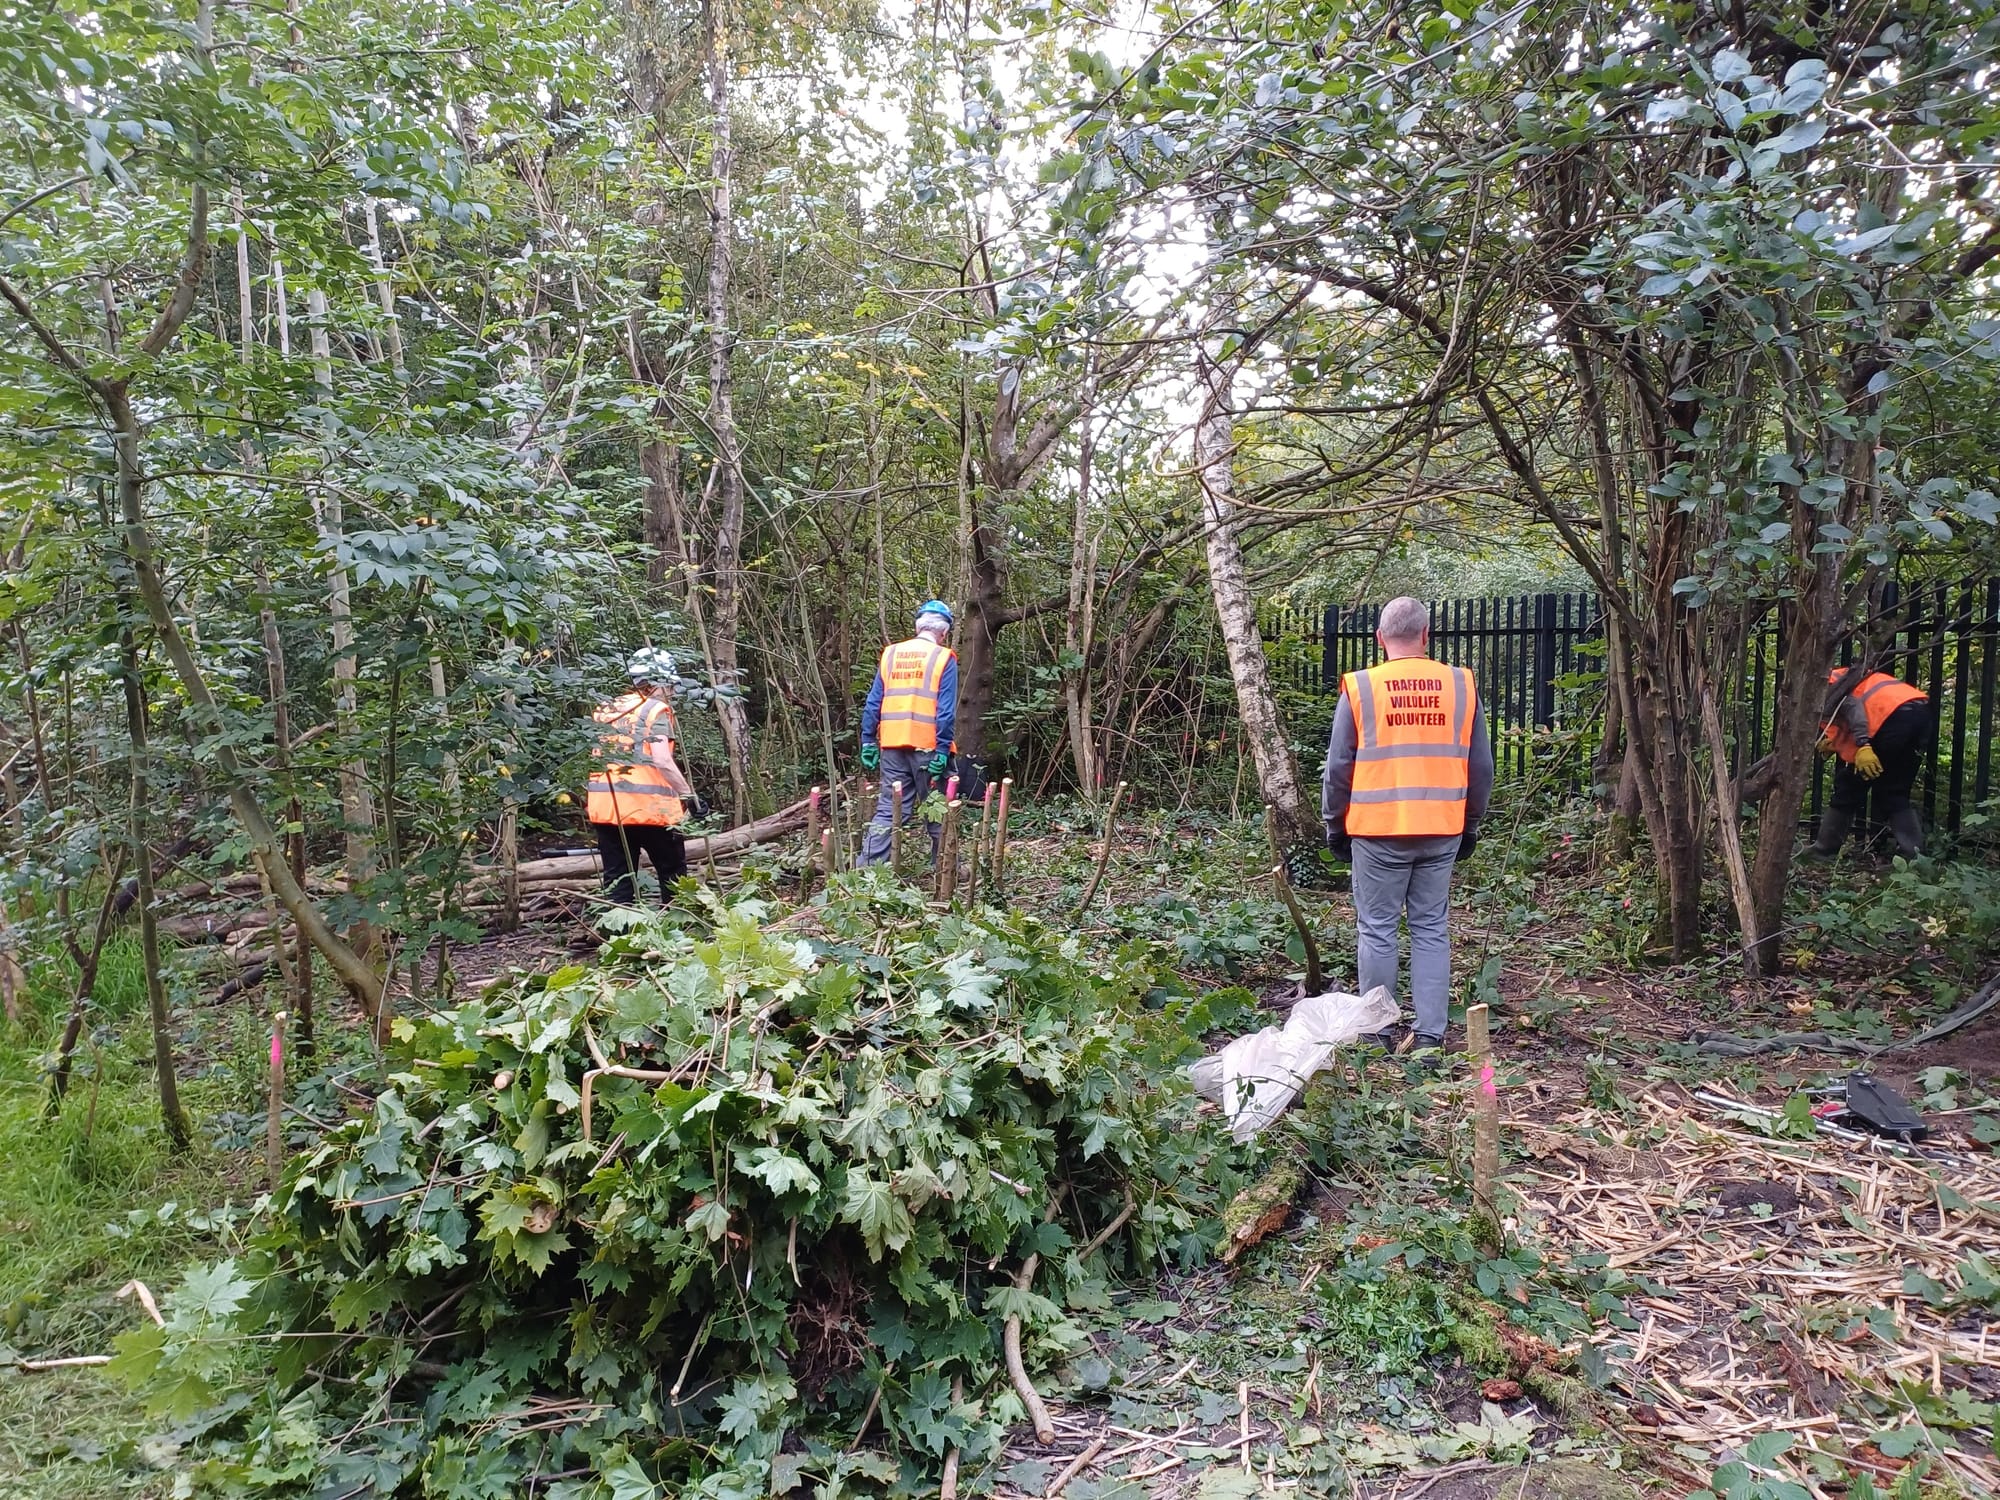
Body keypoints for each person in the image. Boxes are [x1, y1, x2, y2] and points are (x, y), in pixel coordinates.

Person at [1322, 596, 1493, 1055]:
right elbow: (1481, 767)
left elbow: (1338, 768)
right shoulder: (1460, 685)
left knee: (1377, 928)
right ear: (1426, 635)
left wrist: (1335, 825)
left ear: (1380, 638)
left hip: (1377, 830)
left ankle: (1378, 1033)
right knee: (1430, 928)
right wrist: (1470, 824)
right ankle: (1430, 1036)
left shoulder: (1362, 687)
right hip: (1441, 827)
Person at [587, 648, 701, 905]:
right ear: (657, 682)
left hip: (607, 808)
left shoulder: (607, 708)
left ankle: (618, 928)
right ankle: (677, 923)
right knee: (673, 875)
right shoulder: (654, 710)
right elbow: (662, 760)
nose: (672, 692)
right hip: (650, 810)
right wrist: (689, 797)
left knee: (617, 880)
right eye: (670, 685)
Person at [858, 601, 958, 867]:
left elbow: (873, 702)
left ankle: (866, 871)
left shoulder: (891, 654)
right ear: (944, 632)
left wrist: (868, 740)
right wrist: (942, 750)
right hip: (928, 748)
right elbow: (945, 711)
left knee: (890, 808)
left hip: (892, 745)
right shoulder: (944, 658)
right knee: (937, 807)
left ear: (918, 627)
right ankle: (946, 869)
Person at [1812, 665, 1930, 859]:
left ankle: (1824, 850)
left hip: (1891, 718)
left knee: (1849, 786)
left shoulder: (1819, 683)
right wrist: (1838, 742)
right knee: (1894, 789)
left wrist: (1863, 744)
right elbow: (1852, 716)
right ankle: (1915, 857)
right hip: (1918, 712)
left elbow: (1852, 707)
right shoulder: (1839, 676)